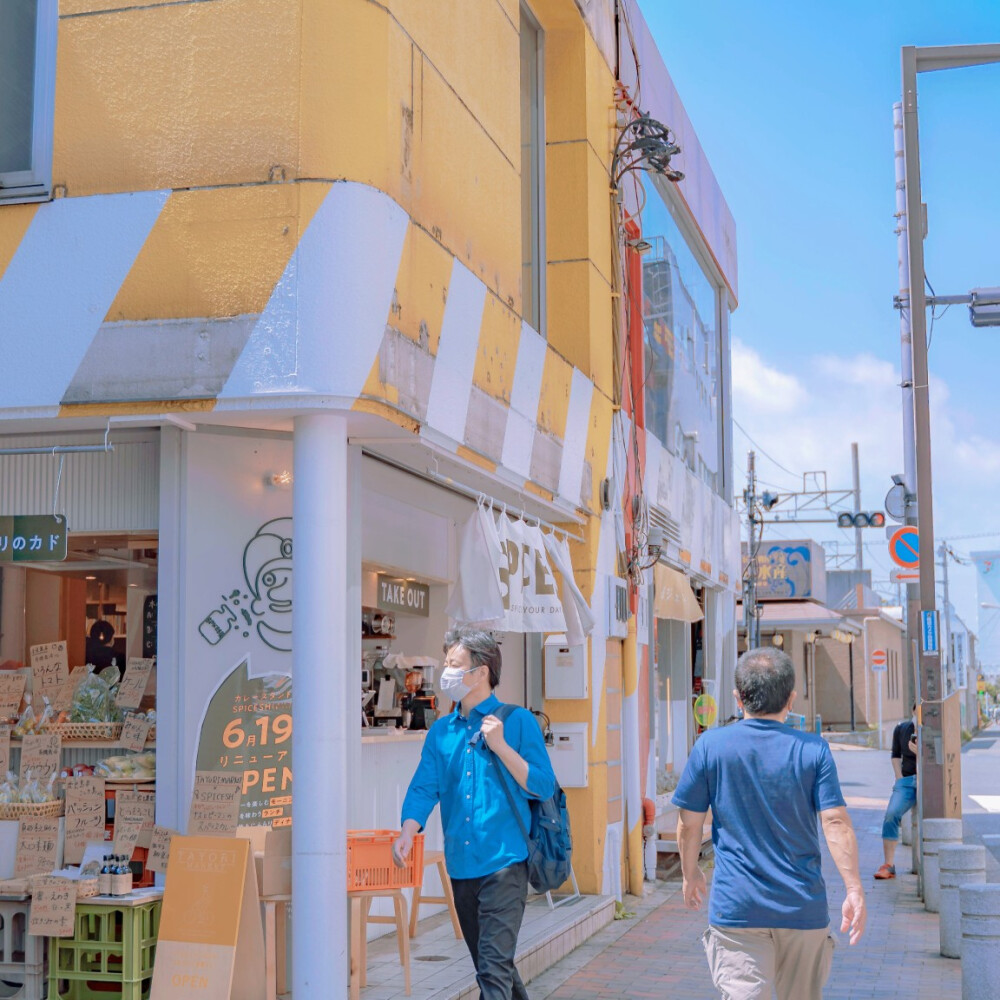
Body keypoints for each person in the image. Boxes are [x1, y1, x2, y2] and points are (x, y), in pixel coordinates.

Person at [672, 646, 866, 1000]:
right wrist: (853, 888)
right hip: (802, 907)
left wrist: (690, 873)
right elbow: (835, 822)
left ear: (737, 698)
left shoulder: (710, 746)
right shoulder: (813, 750)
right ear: (791, 700)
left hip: (737, 909)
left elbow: (689, 823)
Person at [393, 627, 555, 1000]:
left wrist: (500, 746)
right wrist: (407, 831)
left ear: (481, 672)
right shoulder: (442, 732)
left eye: (454, 664)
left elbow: (543, 785)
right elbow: (424, 787)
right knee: (493, 966)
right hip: (462, 865)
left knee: (493, 972)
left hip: (505, 864)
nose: (446, 672)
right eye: (447, 663)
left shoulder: (517, 722)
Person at [874, 705, 918, 879]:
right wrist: (899, 777)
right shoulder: (901, 729)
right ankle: (889, 865)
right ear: (913, 711)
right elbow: (895, 755)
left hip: (929, 782)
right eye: (916, 711)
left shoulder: (933, 731)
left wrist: (920, 752)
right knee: (891, 814)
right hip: (906, 781)